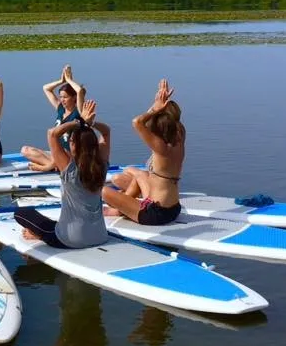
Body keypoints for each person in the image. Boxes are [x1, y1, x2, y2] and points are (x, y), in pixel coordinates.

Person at [14, 99, 111, 248]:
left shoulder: (69, 169)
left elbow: (52, 134)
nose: (69, 143)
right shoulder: (102, 166)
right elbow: (106, 131)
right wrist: (90, 123)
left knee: (21, 213)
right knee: (53, 223)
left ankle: (38, 235)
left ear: (75, 146)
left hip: (70, 240)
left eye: (71, 141)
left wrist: (79, 122)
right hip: (100, 236)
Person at [103, 78, 185, 225]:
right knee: (140, 175)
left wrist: (155, 108)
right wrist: (160, 103)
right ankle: (122, 207)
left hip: (156, 213)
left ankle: (120, 208)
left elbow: (138, 122)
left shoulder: (161, 148)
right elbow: (152, 121)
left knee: (104, 192)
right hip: (173, 208)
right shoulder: (179, 136)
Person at [21, 64, 86, 172]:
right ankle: (55, 166)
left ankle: (48, 167)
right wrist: (61, 81)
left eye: (65, 97)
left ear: (74, 98)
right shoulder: (60, 108)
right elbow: (46, 88)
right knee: (25, 150)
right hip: (57, 154)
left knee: (61, 154)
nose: (62, 100)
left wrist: (69, 80)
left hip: (71, 156)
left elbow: (79, 91)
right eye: (60, 97)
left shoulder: (78, 113)